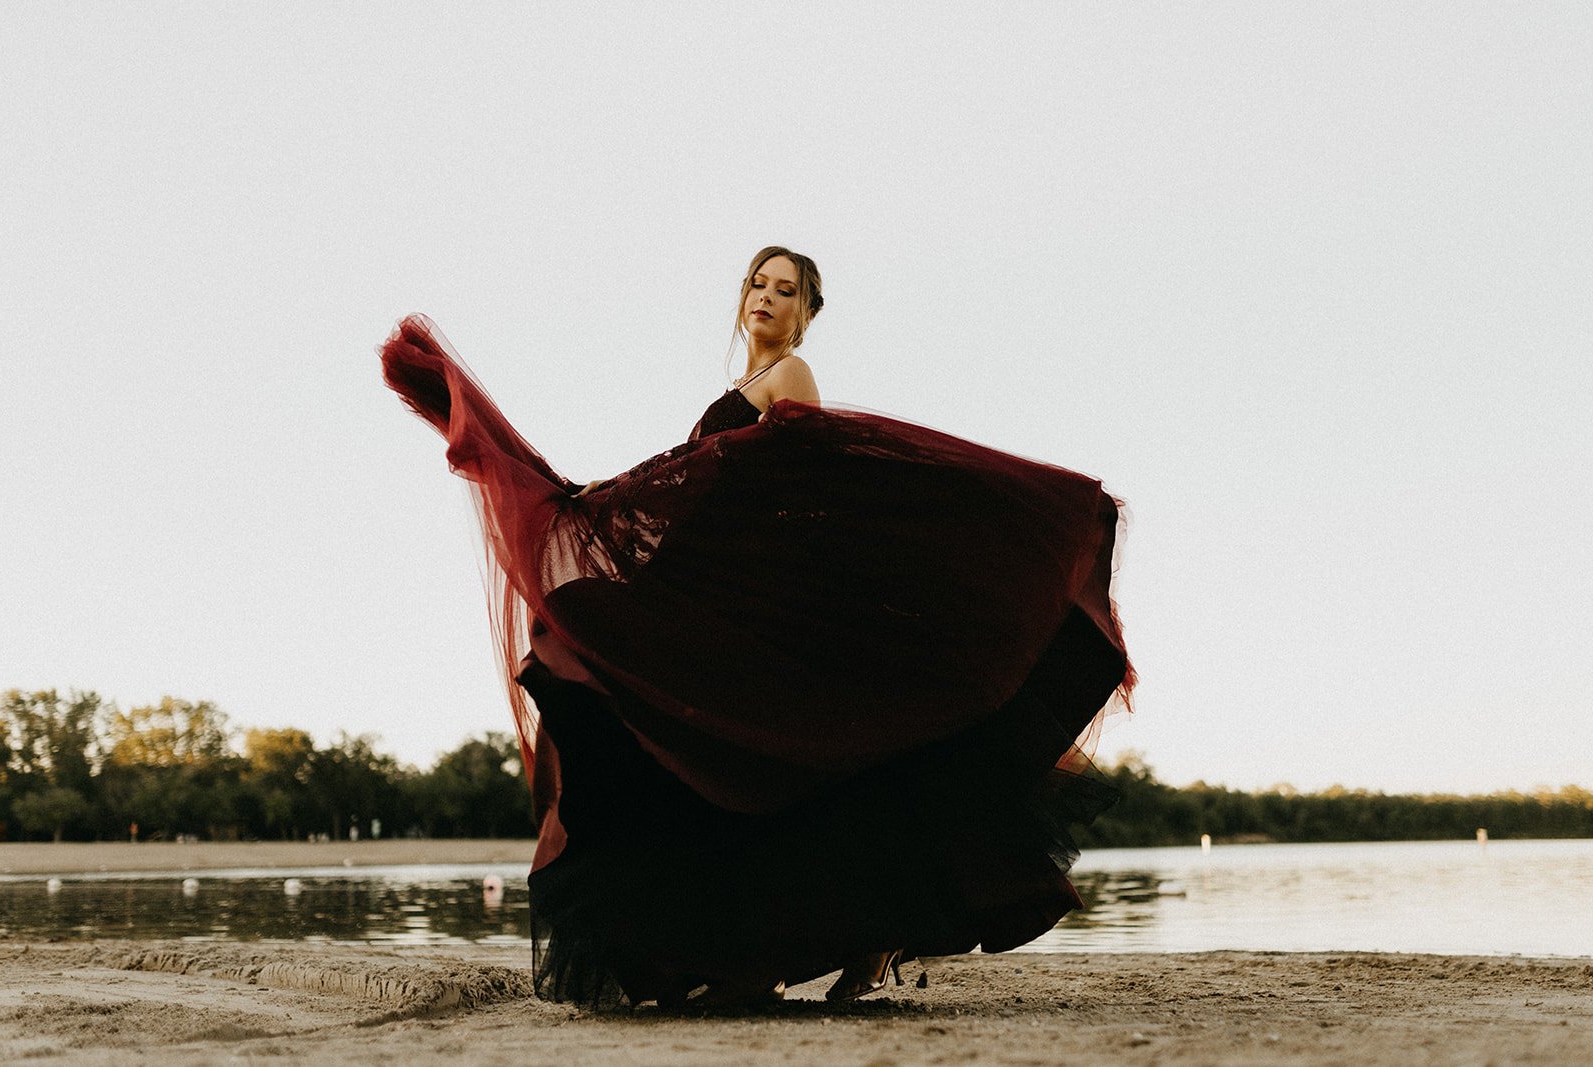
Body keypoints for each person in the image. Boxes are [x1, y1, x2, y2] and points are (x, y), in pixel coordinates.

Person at [380, 246, 1133, 1009]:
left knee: (754, 749)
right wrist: (606, 490)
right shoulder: (734, 389)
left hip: (770, 593)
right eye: (759, 285)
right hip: (715, 583)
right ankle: (744, 947)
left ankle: (844, 942)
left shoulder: (789, 377)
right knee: (602, 671)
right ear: (742, 298)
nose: (768, 299)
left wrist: (654, 485)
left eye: (787, 291)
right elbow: (699, 482)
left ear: (807, 314)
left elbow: (789, 474)